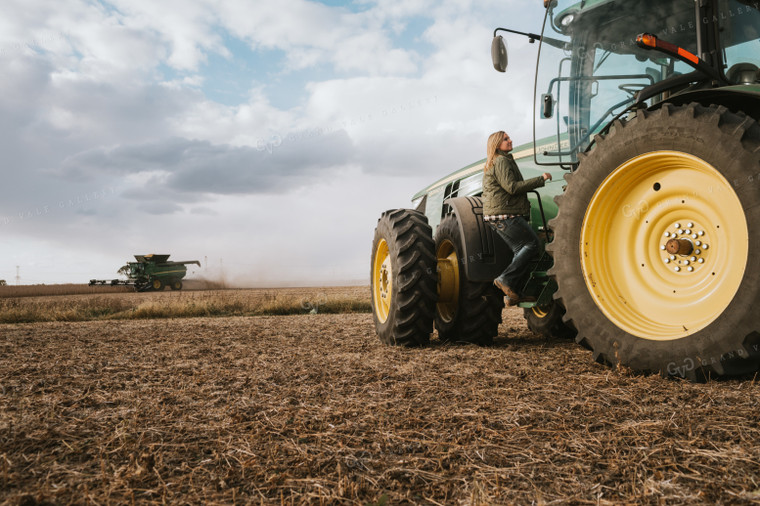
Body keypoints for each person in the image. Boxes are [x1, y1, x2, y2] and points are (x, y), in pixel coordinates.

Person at [482, 130, 552, 306]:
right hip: (504, 214)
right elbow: (512, 187)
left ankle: (513, 294)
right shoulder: (502, 161)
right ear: (497, 144)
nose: (510, 140)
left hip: (496, 214)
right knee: (532, 244)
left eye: (509, 138)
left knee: (521, 249)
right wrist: (540, 179)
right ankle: (505, 280)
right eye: (505, 139)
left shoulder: (499, 160)